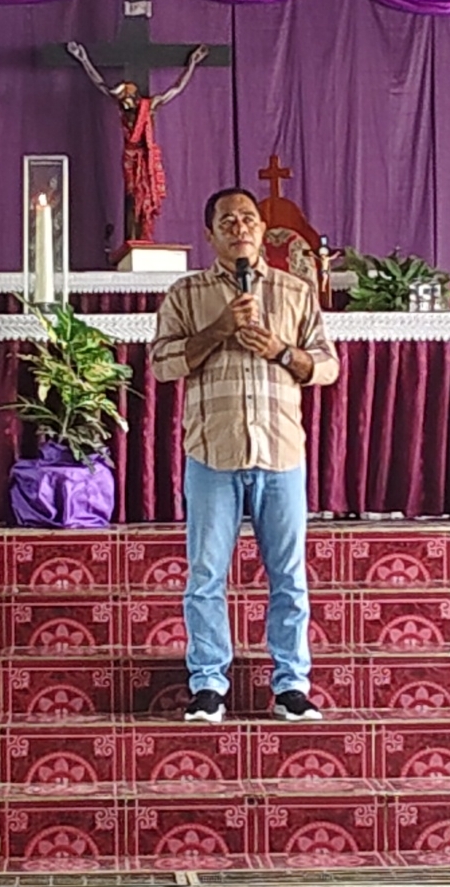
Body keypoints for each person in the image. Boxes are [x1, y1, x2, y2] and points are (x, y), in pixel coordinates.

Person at [148, 187, 340, 722]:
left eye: (248, 219)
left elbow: (327, 366)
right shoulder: (186, 294)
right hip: (214, 450)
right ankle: (209, 685)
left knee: (289, 577)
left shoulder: (295, 290)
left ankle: (291, 686)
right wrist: (219, 330)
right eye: (228, 221)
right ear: (210, 234)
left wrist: (281, 351)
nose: (240, 228)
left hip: (280, 451)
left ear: (261, 230)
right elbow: (162, 364)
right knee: (206, 576)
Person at [66, 41, 210, 245]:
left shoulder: (149, 106)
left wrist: (192, 63)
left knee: (145, 200)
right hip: (130, 159)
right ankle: (132, 241)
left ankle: (143, 239)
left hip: (145, 157)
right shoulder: (122, 108)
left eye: (125, 97)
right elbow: (100, 83)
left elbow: (176, 88)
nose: (123, 101)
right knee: (132, 199)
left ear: (133, 96)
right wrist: (83, 59)